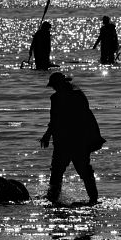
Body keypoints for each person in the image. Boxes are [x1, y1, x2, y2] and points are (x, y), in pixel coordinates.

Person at [40, 72, 106, 205]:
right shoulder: (78, 95)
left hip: (68, 141)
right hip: (78, 140)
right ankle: (92, 199)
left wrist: (47, 135)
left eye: (55, 86)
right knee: (81, 171)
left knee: (60, 171)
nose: (54, 89)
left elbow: (55, 121)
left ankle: (53, 199)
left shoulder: (59, 98)